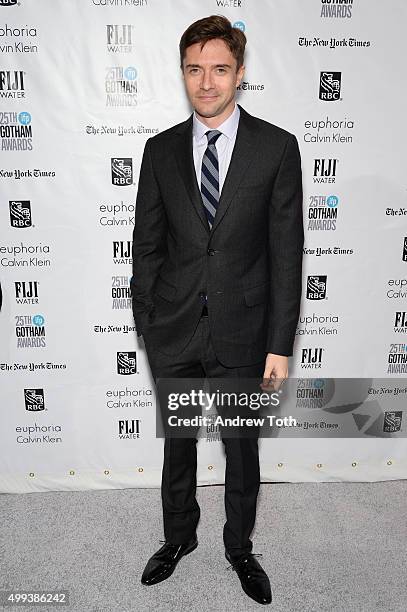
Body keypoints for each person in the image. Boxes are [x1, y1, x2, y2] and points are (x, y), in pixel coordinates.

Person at [131, 15, 303, 605]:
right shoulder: (158, 152)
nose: (206, 83)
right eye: (194, 69)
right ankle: (178, 537)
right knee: (178, 443)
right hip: (174, 329)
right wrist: (150, 321)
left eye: (219, 69)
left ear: (240, 73)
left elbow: (286, 254)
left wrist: (279, 344)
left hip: (244, 331)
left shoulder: (276, 148)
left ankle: (238, 546)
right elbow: (147, 247)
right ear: (183, 71)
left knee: (241, 448)